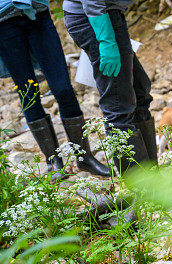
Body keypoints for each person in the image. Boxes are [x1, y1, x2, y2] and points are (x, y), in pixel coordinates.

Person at [0, 0, 110, 176]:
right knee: (28, 93)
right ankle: (53, 163)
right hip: (4, 21)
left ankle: (85, 158)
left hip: (37, 12)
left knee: (63, 88)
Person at [62, 0, 157, 173]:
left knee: (140, 92)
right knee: (118, 105)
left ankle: (154, 179)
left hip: (110, 14)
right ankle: (145, 192)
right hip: (95, 17)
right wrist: (106, 40)